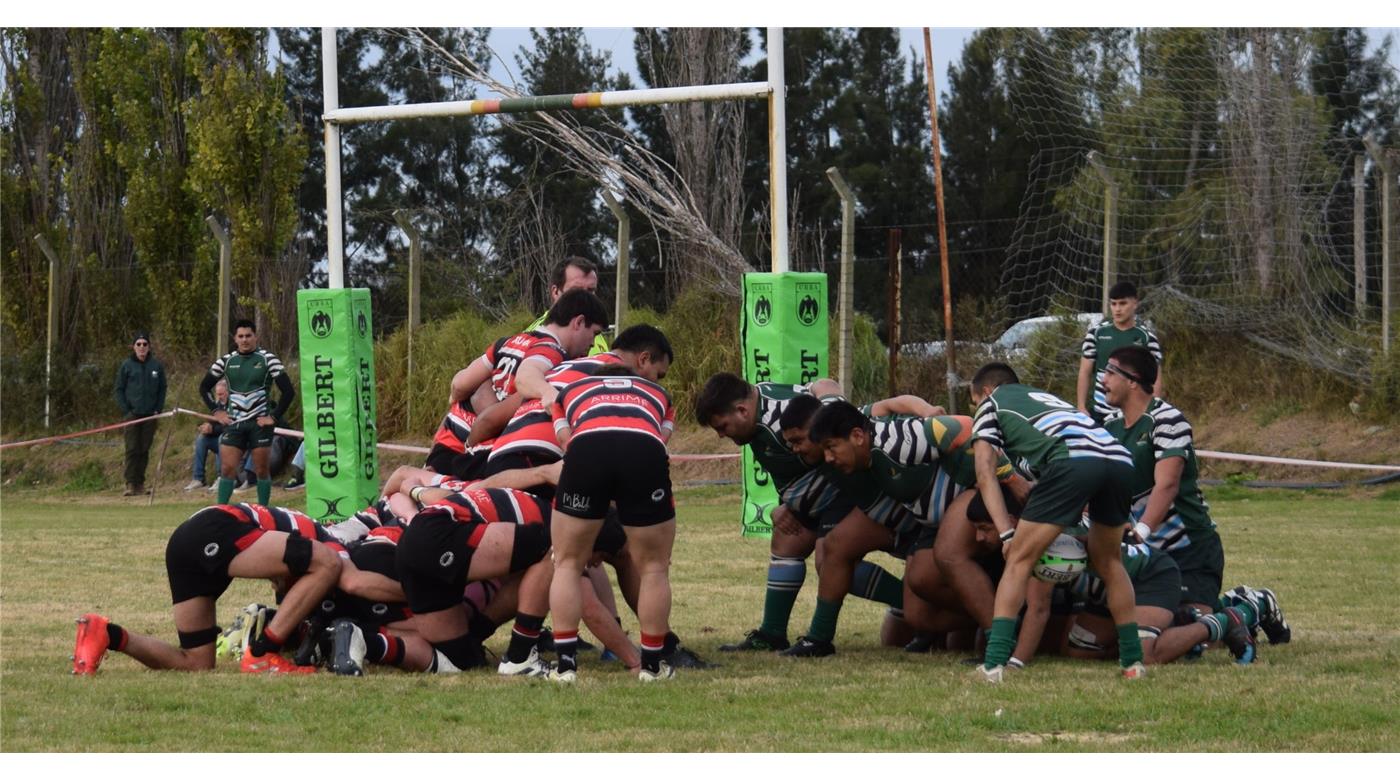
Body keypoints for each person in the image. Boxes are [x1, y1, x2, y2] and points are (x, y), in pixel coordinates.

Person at [694, 373, 904, 656]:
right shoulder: (760, 401)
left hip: (846, 489)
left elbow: (826, 385)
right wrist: (787, 503)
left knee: (829, 557)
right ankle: (772, 633)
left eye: (722, 426)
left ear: (742, 410)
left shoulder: (780, 417)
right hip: (820, 494)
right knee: (786, 541)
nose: (721, 435)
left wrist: (831, 408)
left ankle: (906, 602)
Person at [968, 361, 1146, 681]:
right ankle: (1133, 663)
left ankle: (993, 665)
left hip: (1073, 459)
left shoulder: (990, 405)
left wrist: (1008, 534)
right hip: (1119, 459)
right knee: (1110, 563)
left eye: (974, 401)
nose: (975, 408)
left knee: (1018, 562)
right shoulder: (1046, 398)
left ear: (984, 391)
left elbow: (984, 471)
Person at [1100, 345, 1289, 643]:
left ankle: (1255, 604)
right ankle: (1232, 604)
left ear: (1133, 380)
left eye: (1110, 372)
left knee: (1195, 637)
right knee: (1148, 629)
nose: (1102, 380)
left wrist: (1141, 531)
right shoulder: (1109, 426)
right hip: (1149, 554)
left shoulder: (1167, 419)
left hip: (1189, 548)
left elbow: (1168, 484)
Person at [72, 503, 344, 675]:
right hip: (214, 527)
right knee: (328, 564)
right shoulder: (335, 543)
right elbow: (348, 578)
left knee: (196, 662)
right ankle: (263, 654)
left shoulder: (301, 535)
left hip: (186, 539)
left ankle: (107, 633)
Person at [546, 365, 678, 682]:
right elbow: (660, 439)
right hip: (643, 448)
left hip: (587, 448)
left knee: (566, 562)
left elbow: (565, 440)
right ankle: (652, 667)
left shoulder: (569, 391)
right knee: (654, 567)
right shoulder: (660, 393)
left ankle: (565, 667)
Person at [198, 319, 296, 506]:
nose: (245, 340)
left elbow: (289, 391)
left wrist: (273, 417)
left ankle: (263, 512)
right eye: (241, 336)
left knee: (260, 470)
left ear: (255, 337)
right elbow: (204, 387)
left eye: (248, 336)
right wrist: (216, 411)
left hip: (259, 424)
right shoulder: (226, 361)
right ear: (235, 338)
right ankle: (222, 511)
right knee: (227, 469)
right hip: (234, 424)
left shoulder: (268, 359)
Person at [1077, 280, 1163, 424]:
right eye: (1113, 304)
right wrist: (1081, 406)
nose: (1117, 309)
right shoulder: (1096, 334)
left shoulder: (1147, 338)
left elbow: (1157, 379)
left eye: (1123, 303)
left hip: (1133, 415)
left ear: (1135, 303)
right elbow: (1084, 372)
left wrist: (1152, 411)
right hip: (1100, 414)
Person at [114, 331, 167, 496]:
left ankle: (140, 484)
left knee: (144, 449)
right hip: (132, 415)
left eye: (145, 344)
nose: (142, 347)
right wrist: (126, 410)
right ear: (134, 347)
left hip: (150, 414)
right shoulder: (127, 366)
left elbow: (162, 389)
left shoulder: (156, 366)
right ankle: (130, 483)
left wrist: (158, 409)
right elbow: (119, 389)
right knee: (132, 448)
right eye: (139, 344)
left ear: (149, 347)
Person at [184, 380, 228, 491]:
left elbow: (229, 426)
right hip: (219, 436)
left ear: (228, 393)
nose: (219, 397)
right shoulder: (216, 406)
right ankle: (198, 479)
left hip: (232, 441)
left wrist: (213, 429)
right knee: (201, 439)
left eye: (221, 394)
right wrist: (206, 426)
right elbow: (215, 423)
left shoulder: (233, 406)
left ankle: (221, 478)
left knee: (221, 440)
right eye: (217, 394)